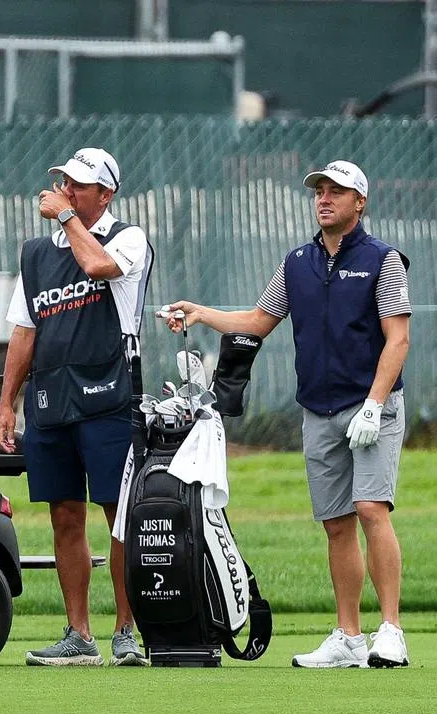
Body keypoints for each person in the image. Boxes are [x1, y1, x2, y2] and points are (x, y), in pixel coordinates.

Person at [163, 160, 411, 669]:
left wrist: (374, 403)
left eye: (336, 192)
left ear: (359, 202)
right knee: (337, 524)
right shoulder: (296, 262)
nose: (324, 198)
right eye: (319, 190)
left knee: (371, 509)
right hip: (317, 410)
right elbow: (258, 321)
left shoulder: (384, 260)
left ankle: (391, 631)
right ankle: (348, 637)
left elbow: (398, 338)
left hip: (371, 408)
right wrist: (202, 313)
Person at [0, 148, 154, 666]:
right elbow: (25, 330)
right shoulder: (36, 254)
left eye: (78, 185)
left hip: (110, 396)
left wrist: (64, 216)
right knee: (65, 514)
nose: (66, 190)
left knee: (120, 515)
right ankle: (79, 635)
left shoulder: (127, 237)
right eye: (63, 182)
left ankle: (127, 631)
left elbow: (98, 265)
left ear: (105, 194)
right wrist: (5, 404)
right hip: (51, 400)